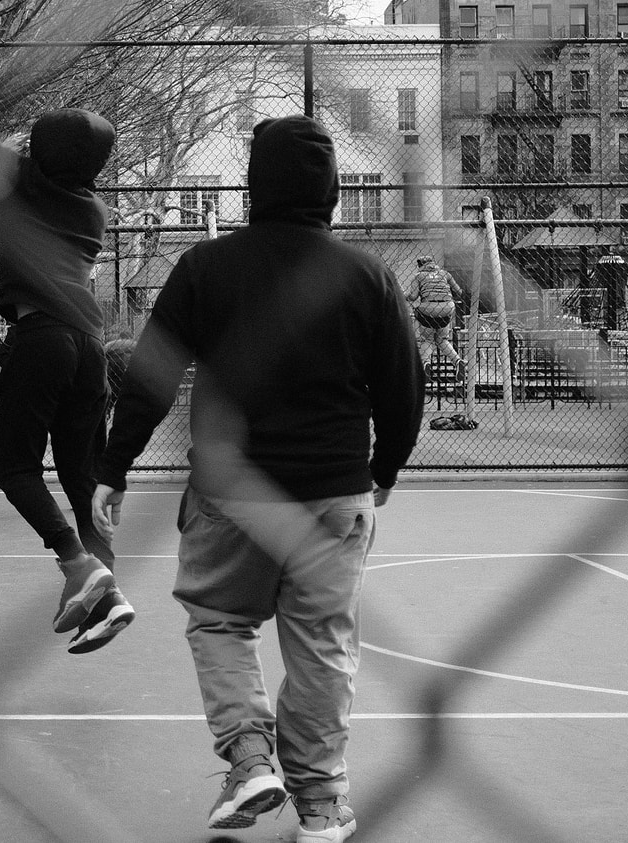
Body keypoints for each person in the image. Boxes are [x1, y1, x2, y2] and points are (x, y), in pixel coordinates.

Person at [93, 115, 424, 838]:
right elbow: (405, 385)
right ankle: (321, 803)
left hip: (229, 491)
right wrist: (385, 467)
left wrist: (112, 466)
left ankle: (249, 757)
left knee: (219, 620)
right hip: (333, 491)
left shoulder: (207, 267)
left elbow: (149, 377)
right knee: (324, 648)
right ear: (334, 191)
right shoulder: (366, 274)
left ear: (254, 185)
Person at [0, 10, 133, 654]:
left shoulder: (19, 181)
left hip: (43, 339)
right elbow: (56, 256)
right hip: (88, 346)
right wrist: (4, 235)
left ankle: (77, 565)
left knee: (14, 467)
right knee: (79, 472)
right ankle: (108, 589)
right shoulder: (93, 208)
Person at [406, 255, 463, 374]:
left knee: (428, 339)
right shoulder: (445, 274)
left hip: (428, 310)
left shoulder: (418, 276)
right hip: (447, 308)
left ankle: (426, 364)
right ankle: (457, 361)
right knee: (442, 340)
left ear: (420, 265)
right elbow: (459, 291)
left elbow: (413, 296)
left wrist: (403, 295)